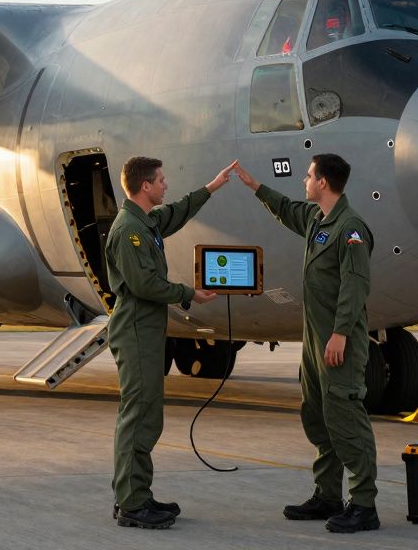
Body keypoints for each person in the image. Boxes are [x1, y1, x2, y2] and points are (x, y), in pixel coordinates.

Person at [233, 155, 380, 533]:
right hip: (315, 342)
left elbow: (355, 284)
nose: (305, 179)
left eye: (310, 175)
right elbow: (286, 209)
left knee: (346, 421)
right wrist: (255, 187)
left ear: (325, 183)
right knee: (318, 418)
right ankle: (328, 496)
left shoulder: (350, 228)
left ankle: (364, 506)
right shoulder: (318, 220)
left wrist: (341, 333)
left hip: (337, 342)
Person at [105, 156, 235, 529]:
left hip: (144, 330)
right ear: (145, 186)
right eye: (161, 180)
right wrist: (189, 293)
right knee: (139, 416)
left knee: (145, 415)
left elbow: (177, 212)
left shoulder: (145, 221)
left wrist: (212, 186)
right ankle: (132, 505)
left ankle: (135, 495)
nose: (166, 186)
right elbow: (145, 284)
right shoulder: (129, 230)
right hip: (135, 330)